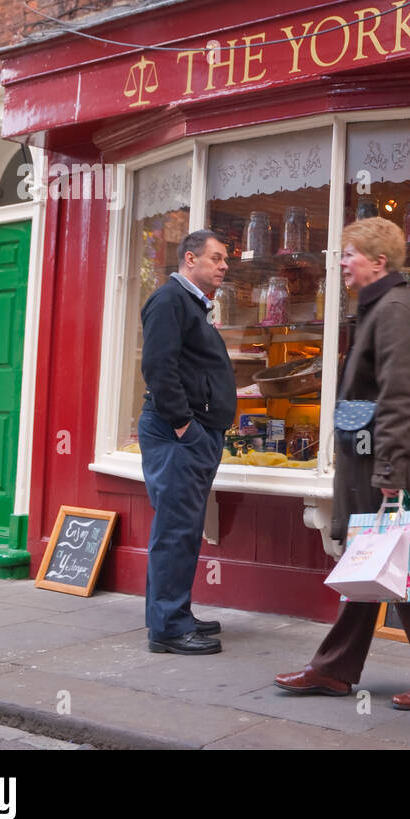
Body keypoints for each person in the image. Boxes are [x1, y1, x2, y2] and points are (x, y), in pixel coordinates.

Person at [275, 217, 410, 710]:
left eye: (349, 254)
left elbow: (401, 399)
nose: (341, 263)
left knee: (408, 566)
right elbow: (368, 399)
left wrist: (388, 474)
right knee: (373, 565)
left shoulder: (395, 311)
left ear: (378, 261)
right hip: (375, 462)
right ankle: (335, 670)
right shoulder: (380, 308)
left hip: (394, 470)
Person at [138, 229, 236, 655]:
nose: (224, 265)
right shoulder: (170, 300)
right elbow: (158, 367)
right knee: (175, 531)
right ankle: (168, 629)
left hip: (193, 435)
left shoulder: (193, 305)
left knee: (184, 530)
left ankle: (176, 613)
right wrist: (184, 426)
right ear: (189, 260)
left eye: (225, 259)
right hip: (176, 435)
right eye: (216, 258)